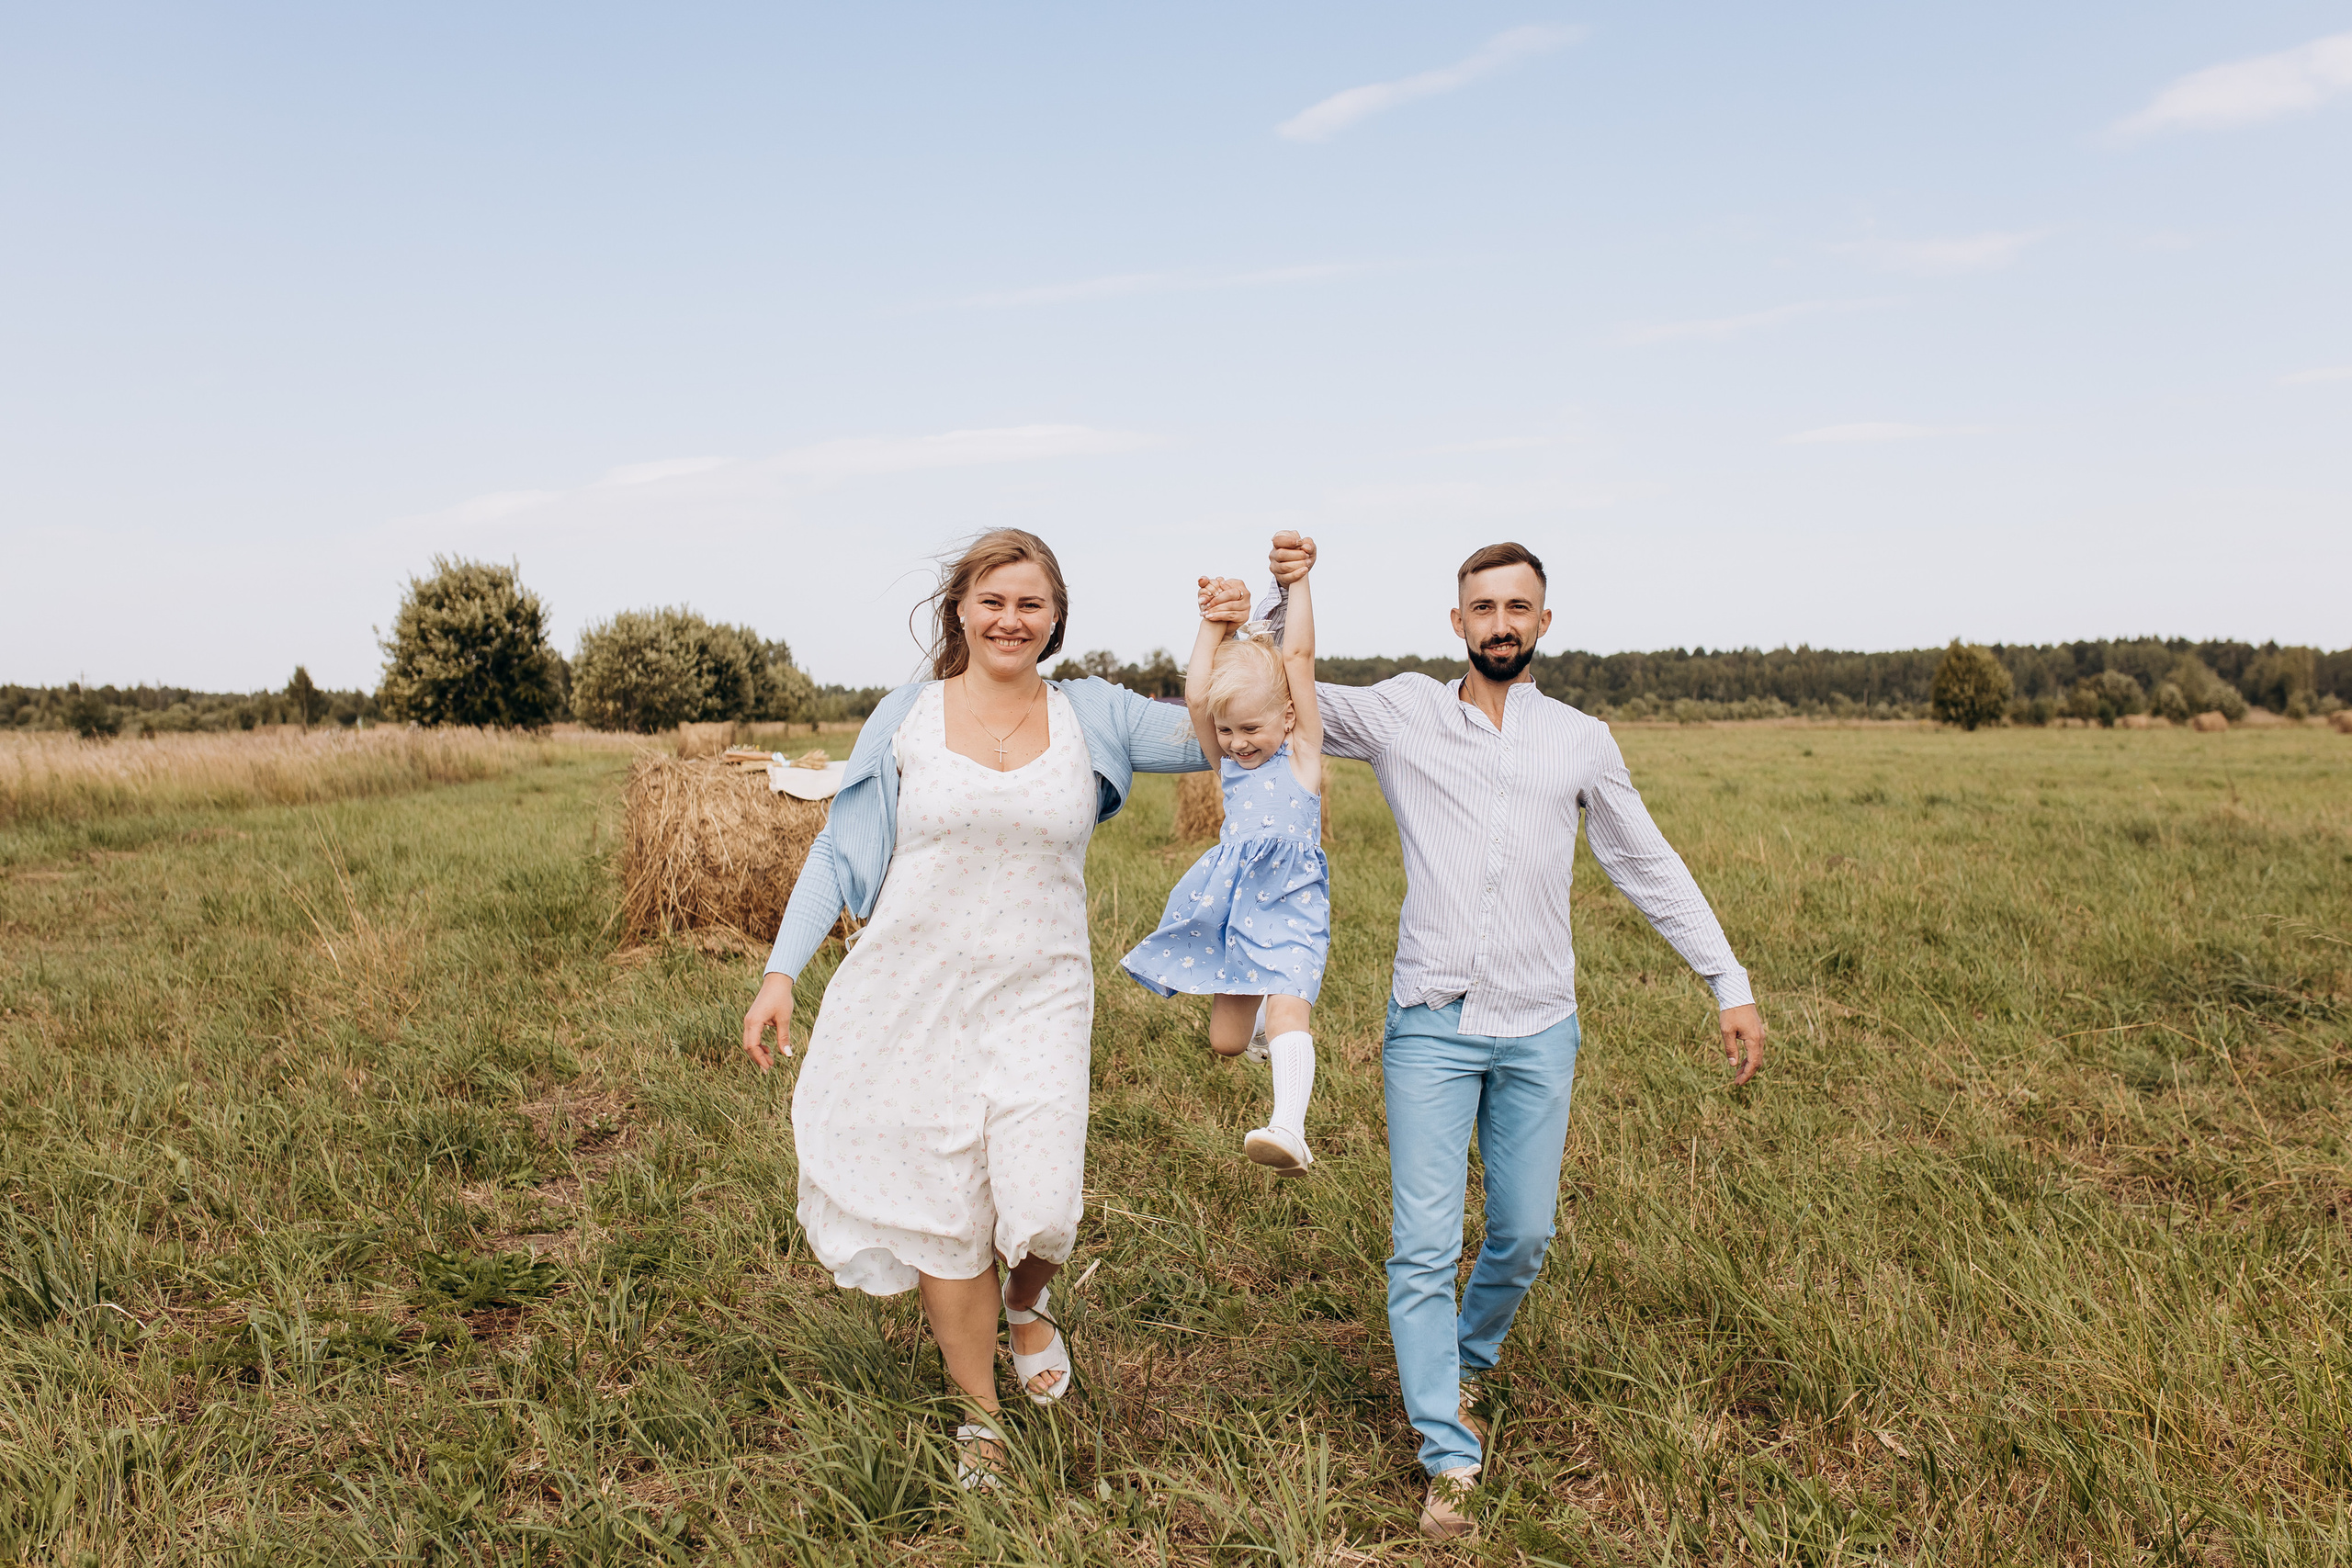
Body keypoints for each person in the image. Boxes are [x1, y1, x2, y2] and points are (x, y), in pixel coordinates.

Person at [1259, 533, 1766, 1542]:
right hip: (1430, 1026)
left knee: (1523, 1233)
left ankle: (1467, 1360)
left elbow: (1645, 863)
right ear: (1457, 623)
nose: (1499, 623)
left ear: (1542, 622)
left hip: (1540, 1026)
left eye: (1516, 608)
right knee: (1418, 1247)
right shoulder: (1402, 710)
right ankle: (1447, 1453)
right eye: (1481, 608)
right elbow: (1289, 684)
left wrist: (1728, 979)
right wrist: (1284, 592)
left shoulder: (1580, 738)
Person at [740, 529, 1243, 1489]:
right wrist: (780, 973)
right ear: (961, 611)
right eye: (993, 601)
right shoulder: (907, 717)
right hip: (911, 991)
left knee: (1043, 1206)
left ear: (1055, 620)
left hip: (1041, 994)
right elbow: (836, 852)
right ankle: (980, 1419)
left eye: (1031, 604)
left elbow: (1209, 736)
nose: (1011, 620)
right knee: (942, 1210)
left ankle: (1026, 1300)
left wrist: (1216, 633)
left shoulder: (1090, 712)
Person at [1117, 570, 1329, 1175]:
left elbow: (1301, 654)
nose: (1236, 742)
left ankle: (1289, 1127)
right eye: (1228, 730)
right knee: (1227, 1042)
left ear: (1288, 717)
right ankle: (1263, 1023)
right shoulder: (1230, 766)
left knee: (1292, 1011)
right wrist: (1212, 623)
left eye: (1251, 728)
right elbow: (1195, 691)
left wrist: (1302, 583)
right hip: (1237, 910)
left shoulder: (1303, 754)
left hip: (1292, 905)